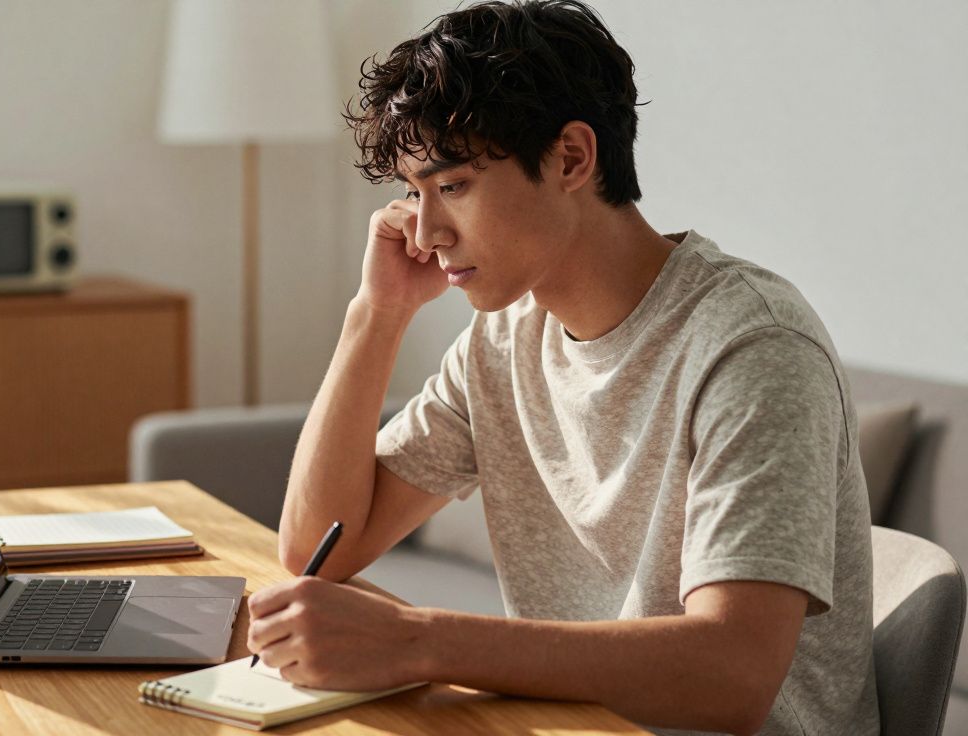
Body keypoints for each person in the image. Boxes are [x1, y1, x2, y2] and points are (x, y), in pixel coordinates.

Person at [245, 2, 879, 734]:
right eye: (411, 195)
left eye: (451, 187)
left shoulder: (753, 347)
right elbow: (319, 546)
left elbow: (732, 676)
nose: (425, 233)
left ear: (572, 158)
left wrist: (418, 643)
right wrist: (374, 314)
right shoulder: (504, 340)